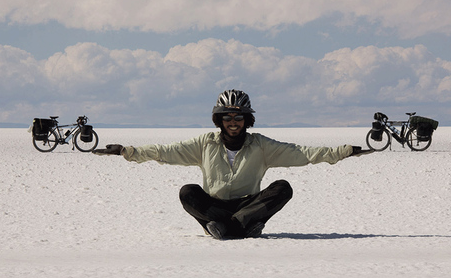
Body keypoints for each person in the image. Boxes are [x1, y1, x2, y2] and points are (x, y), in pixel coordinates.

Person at [93, 89, 372, 240]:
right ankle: (234, 227)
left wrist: (342, 151)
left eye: (239, 117)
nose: (233, 122)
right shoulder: (204, 144)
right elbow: (165, 151)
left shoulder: (262, 145)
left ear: (247, 120)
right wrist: (126, 151)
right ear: (219, 119)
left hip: (248, 205)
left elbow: (302, 153)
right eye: (227, 116)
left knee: (282, 187)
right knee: (187, 191)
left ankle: (229, 228)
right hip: (216, 206)